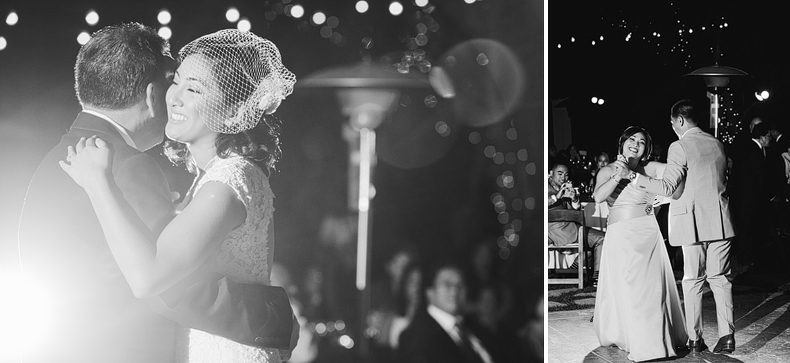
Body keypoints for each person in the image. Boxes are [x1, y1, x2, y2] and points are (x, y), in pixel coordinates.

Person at [17, 23, 294, 363]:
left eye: (193, 88)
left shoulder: (59, 156)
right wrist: (271, 317)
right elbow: (166, 287)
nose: (174, 97)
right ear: (152, 95)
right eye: (174, 82)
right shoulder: (126, 166)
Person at [624, 99, 737, 355]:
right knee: (720, 279)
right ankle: (727, 336)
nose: (673, 127)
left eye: (673, 122)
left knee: (693, 280)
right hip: (720, 219)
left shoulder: (680, 145)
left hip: (693, 221)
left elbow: (666, 187)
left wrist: (633, 177)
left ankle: (695, 339)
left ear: (681, 120)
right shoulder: (717, 143)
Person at [592, 126, 687, 361]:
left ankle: (652, 343)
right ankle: (630, 336)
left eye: (642, 142)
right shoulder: (607, 170)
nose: (636, 143)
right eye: (632, 139)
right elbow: (598, 197)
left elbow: (680, 175)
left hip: (647, 232)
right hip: (621, 235)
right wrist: (619, 175)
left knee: (650, 288)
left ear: (646, 150)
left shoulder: (650, 168)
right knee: (628, 288)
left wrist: (662, 198)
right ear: (622, 143)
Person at [397, 260, 497, 363]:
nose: (454, 291)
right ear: (430, 292)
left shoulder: (474, 329)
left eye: (460, 285)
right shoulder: (415, 336)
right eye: (447, 285)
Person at [548, 162, 604, 285]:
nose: (564, 177)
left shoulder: (564, 189)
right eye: (560, 173)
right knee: (602, 239)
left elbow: (575, 213)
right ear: (550, 174)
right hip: (558, 231)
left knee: (594, 244)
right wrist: (557, 197)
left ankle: (575, 268)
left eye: (566, 174)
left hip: (569, 229)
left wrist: (574, 199)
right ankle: (597, 278)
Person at [730, 122, 771, 268]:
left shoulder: (747, 148)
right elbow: (759, 177)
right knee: (747, 228)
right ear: (761, 137)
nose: (769, 139)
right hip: (749, 197)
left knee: (744, 227)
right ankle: (746, 258)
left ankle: (745, 256)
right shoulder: (754, 151)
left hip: (743, 195)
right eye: (768, 136)